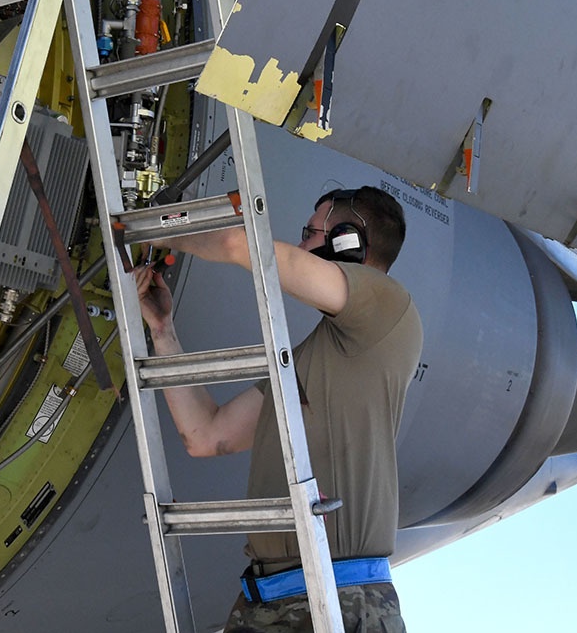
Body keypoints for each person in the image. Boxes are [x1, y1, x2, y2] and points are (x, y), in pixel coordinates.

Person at [134, 186, 423, 632]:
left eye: (310, 233)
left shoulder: (388, 303)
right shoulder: (316, 357)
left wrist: (150, 226)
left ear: (348, 240)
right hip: (267, 599)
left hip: (337, 598)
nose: (302, 244)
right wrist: (162, 330)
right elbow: (207, 435)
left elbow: (238, 245)